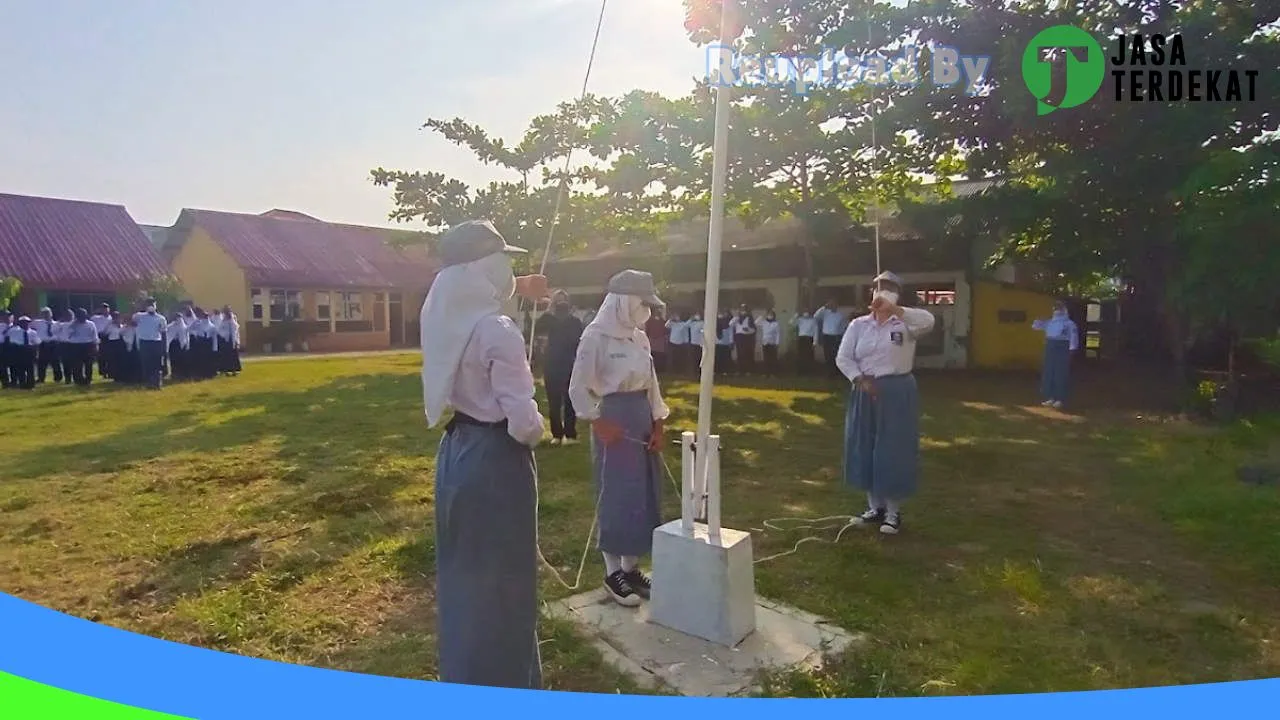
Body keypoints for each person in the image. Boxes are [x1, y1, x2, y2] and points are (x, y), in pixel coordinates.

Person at [420, 219, 548, 690]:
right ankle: (507, 683)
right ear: (486, 266)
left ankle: (467, 676)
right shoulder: (499, 330)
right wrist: (539, 430)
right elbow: (522, 421)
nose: (510, 269)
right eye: (505, 261)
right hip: (497, 456)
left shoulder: (444, 317)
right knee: (505, 577)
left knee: (465, 574)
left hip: (456, 452)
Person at [568, 269, 669, 608]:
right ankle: (612, 572)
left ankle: (631, 568)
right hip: (614, 419)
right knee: (617, 492)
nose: (647, 311)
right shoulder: (595, 336)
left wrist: (658, 423)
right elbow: (578, 386)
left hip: (641, 416)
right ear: (624, 301)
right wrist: (597, 421)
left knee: (643, 491)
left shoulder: (639, 337)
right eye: (643, 303)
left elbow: (651, 383)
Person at [836, 271, 937, 536]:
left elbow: (928, 321)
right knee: (865, 444)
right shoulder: (859, 325)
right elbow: (843, 357)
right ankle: (874, 507)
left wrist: (896, 310)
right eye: (878, 287)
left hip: (896, 389)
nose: (882, 291)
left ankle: (893, 513)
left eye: (889, 288)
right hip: (865, 389)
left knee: (893, 447)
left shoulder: (906, 323)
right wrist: (858, 379)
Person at [539, 292, 584, 446]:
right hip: (552, 364)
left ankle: (570, 434)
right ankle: (557, 434)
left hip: (569, 363)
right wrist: (548, 311)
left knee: (570, 399)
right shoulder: (548, 320)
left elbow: (579, 341)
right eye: (557, 301)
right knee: (554, 401)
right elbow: (537, 328)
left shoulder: (574, 321)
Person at [1033, 300, 1080, 409]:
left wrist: (1072, 348)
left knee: (1060, 372)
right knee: (1049, 372)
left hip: (1062, 348)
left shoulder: (1069, 324)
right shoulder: (1050, 322)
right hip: (1050, 347)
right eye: (1055, 308)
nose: (1057, 310)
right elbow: (1035, 326)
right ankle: (1050, 397)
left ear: (1064, 309)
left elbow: (1073, 337)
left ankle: (1060, 398)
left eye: (1059, 308)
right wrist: (1040, 320)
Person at [133, 298, 167, 389]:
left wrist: (164, 347)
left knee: (157, 364)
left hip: (156, 342)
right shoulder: (139, 316)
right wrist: (137, 307)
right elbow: (131, 321)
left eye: (153, 304)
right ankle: (148, 383)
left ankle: (157, 383)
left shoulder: (161, 318)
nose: (151, 306)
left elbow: (163, 333)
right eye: (149, 304)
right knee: (146, 364)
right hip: (144, 342)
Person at [63, 309, 99, 387]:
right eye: (80, 316)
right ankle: (79, 380)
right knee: (77, 365)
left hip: (88, 345)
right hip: (75, 346)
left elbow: (94, 335)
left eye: (83, 316)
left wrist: (96, 345)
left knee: (88, 364)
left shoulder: (91, 324)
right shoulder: (72, 324)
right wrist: (73, 325)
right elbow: (67, 335)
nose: (82, 318)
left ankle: (88, 379)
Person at [815, 298, 848, 378]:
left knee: (835, 355)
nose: (833, 306)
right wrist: (824, 307)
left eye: (834, 304)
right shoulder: (825, 313)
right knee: (827, 355)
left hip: (836, 337)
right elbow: (816, 316)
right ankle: (829, 373)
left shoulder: (840, 315)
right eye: (831, 304)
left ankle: (836, 372)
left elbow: (843, 326)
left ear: (837, 306)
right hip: (826, 337)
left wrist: (841, 336)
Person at [5, 316, 39, 390]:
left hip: (29, 351)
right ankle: (22, 384)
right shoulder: (14, 331)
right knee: (21, 369)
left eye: (26, 323)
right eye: (22, 323)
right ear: (19, 324)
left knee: (30, 369)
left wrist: (35, 351)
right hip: (19, 350)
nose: (25, 324)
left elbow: (36, 342)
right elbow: (10, 340)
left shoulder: (33, 332)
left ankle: (30, 385)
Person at [30, 308, 61, 384]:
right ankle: (41, 378)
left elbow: (60, 334)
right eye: (44, 313)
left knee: (55, 362)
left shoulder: (57, 324)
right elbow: (27, 325)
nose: (46, 315)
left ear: (51, 314)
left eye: (48, 313)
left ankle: (58, 378)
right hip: (43, 344)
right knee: (42, 363)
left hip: (54, 344)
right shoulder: (37, 322)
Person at [215, 305, 242, 376]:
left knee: (232, 357)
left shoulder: (231, 320)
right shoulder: (223, 320)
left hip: (230, 340)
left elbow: (233, 332)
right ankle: (224, 370)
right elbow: (220, 329)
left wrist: (234, 342)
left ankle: (234, 371)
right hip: (224, 340)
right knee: (224, 356)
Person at [731, 304, 757, 374]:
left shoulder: (749, 318)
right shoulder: (736, 318)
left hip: (747, 338)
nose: (743, 311)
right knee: (740, 354)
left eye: (744, 309)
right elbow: (731, 325)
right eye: (741, 309)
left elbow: (754, 329)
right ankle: (740, 370)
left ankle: (748, 370)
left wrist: (748, 330)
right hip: (739, 338)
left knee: (747, 354)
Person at [89, 303, 113, 379]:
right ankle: (103, 372)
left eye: (106, 308)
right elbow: (90, 320)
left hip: (108, 337)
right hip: (99, 337)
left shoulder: (111, 318)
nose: (105, 310)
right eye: (103, 309)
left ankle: (109, 372)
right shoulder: (96, 318)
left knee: (109, 356)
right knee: (101, 356)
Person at [792, 309, 818, 375]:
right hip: (801, 338)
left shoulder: (813, 320)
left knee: (809, 355)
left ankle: (809, 371)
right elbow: (791, 323)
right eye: (804, 312)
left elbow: (816, 331)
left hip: (809, 338)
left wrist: (815, 342)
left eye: (807, 312)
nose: (806, 314)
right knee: (801, 355)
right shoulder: (800, 320)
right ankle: (800, 371)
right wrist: (796, 316)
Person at [644, 307, 668, 375]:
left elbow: (665, 330)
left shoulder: (662, 321)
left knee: (659, 355)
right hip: (652, 339)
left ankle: (660, 369)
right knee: (653, 354)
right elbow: (647, 329)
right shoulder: (650, 320)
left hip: (660, 340)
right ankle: (653, 368)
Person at [166, 312, 189, 381]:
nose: (178, 319)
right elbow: (167, 333)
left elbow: (187, 337)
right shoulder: (171, 326)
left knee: (182, 360)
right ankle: (174, 374)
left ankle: (182, 374)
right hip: (173, 344)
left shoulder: (184, 326)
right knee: (173, 360)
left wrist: (187, 345)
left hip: (181, 345)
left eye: (179, 317)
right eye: (177, 317)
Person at [664, 311, 689, 375]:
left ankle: (679, 370)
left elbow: (686, 333)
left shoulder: (683, 324)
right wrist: (671, 319)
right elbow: (666, 325)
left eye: (677, 316)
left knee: (679, 357)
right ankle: (672, 370)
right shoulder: (672, 323)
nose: (676, 317)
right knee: (672, 357)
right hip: (672, 342)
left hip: (680, 343)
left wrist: (686, 342)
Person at [54, 309, 75, 385]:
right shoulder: (60, 324)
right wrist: (59, 322)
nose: (68, 316)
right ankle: (68, 378)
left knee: (75, 362)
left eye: (70, 315)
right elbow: (54, 331)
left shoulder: (75, 324)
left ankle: (75, 377)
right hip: (63, 345)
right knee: (66, 362)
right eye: (67, 315)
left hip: (73, 344)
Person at [760, 310, 781, 376]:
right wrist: (762, 316)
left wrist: (777, 343)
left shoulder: (776, 323)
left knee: (773, 359)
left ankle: (774, 373)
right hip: (765, 342)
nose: (770, 316)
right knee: (766, 359)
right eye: (769, 314)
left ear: (774, 316)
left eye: (771, 314)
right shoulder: (764, 322)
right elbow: (755, 322)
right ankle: (766, 373)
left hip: (772, 343)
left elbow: (778, 334)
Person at [714, 310, 734, 376]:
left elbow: (731, 334)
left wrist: (731, 342)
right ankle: (717, 371)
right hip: (717, 343)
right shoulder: (715, 323)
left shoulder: (728, 324)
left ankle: (725, 371)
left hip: (726, 343)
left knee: (725, 358)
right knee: (717, 358)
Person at [0, 309, 11, 389]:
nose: (7, 318)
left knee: (14, 365)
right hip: (2, 346)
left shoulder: (13, 326)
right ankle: (5, 383)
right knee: (2, 366)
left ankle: (14, 381)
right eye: (5, 316)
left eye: (8, 316)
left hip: (12, 346)